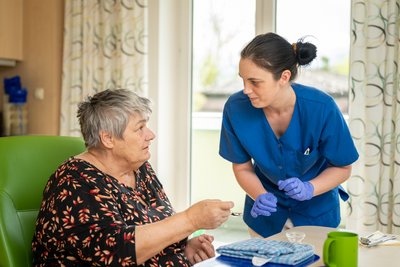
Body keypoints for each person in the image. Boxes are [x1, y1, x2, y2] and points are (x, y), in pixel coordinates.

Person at [32, 89, 234, 266]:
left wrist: (183, 248)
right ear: (108, 138)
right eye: (140, 128)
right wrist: (191, 219)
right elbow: (116, 252)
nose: (151, 134)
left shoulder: (139, 168)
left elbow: (157, 227)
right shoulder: (74, 181)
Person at [219, 32, 359, 238]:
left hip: (316, 216)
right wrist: (260, 195)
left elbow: (343, 167)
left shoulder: (321, 108)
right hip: (265, 218)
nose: (246, 90)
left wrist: (310, 188)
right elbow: (241, 166)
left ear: (284, 77)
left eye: (255, 82)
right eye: (243, 80)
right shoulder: (236, 108)